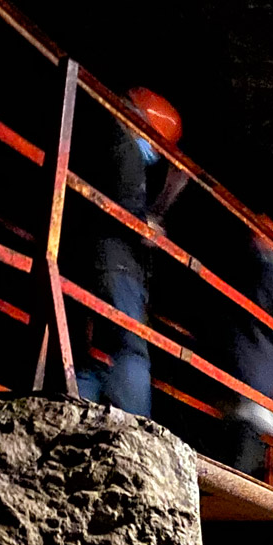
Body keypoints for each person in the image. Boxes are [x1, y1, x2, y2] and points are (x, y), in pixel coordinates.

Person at [70, 86, 187, 416]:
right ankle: (140, 431)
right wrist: (148, 226)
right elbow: (127, 213)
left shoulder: (102, 139)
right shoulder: (126, 148)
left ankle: (71, 406)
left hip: (92, 258)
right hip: (116, 265)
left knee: (99, 356)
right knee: (131, 349)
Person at [221, 213, 273, 472]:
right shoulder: (272, 273)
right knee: (239, 479)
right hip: (258, 389)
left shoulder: (236, 269)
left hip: (233, 384)